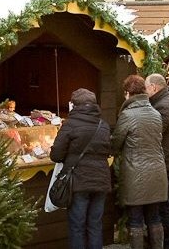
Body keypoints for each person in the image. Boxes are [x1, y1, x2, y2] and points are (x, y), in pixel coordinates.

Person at [50, 88, 113, 249]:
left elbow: (56, 155)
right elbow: (109, 150)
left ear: (74, 105)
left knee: (77, 226)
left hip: (78, 182)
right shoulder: (103, 125)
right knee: (95, 225)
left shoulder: (70, 124)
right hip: (101, 181)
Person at [112, 75, 168, 249]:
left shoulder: (127, 115)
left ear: (128, 93)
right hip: (157, 171)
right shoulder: (155, 113)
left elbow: (115, 144)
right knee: (154, 217)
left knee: (135, 220)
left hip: (135, 174)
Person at [145, 73, 169, 249]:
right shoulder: (168, 101)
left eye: (146, 88)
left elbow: (155, 132)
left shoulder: (163, 106)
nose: (145, 92)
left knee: (165, 205)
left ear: (154, 87)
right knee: (165, 203)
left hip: (165, 162)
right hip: (167, 160)